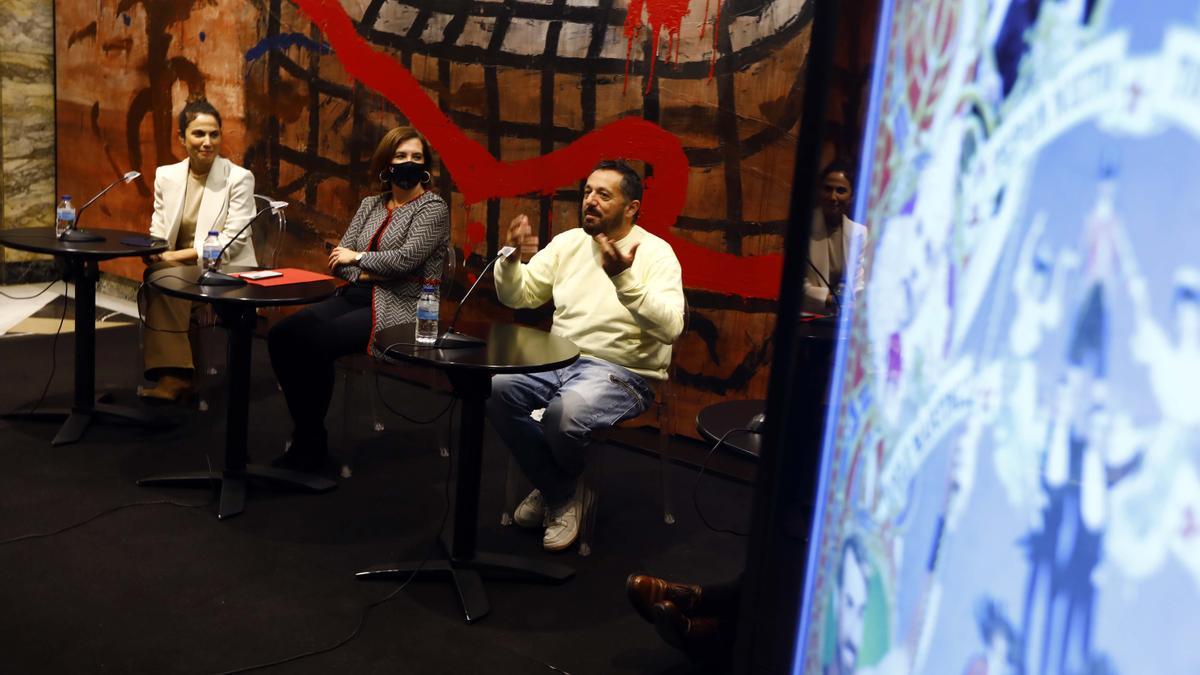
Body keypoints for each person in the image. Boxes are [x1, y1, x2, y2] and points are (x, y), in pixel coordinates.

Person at [487, 159, 685, 551]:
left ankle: (553, 491)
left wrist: (623, 280)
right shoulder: (568, 243)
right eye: (587, 191)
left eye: (603, 194)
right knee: (497, 388)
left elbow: (671, 327)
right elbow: (519, 296)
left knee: (566, 413)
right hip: (558, 361)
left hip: (622, 373)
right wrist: (511, 261)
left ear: (632, 207)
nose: (590, 201)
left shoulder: (657, 254)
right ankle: (563, 492)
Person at [267, 127, 449, 471]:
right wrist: (361, 268)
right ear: (386, 163)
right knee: (282, 336)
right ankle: (311, 436)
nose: (408, 163)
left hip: (403, 307)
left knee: (316, 343)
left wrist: (359, 259)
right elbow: (339, 259)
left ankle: (308, 447)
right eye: (400, 157)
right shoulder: (371, 205)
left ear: (425, 165)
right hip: (355, 296)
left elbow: (405, 260)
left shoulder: (433, 208)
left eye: (416, 157)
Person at [139, 98, 257, 402]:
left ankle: (176, 376)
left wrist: (173, 257)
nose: (207, 142)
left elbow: (231, 243)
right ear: (182, 138)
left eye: (214, 134)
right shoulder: (167, 176)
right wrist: (155, 250)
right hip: (179, 269)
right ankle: (179, 373)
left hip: (227, 270)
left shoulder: (238, 178)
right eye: (198, 134)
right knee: (161, 274)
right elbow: (158, 230)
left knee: (162, 278)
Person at [804, 160, 868, 314]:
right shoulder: (803, 227)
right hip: (808, 316)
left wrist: (862, 301)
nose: (833, 197)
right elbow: (793, 285)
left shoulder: (859, 232)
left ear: (852, 196)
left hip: (843, 318)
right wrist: (830, 300)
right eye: (827, 189)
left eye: (840, 190)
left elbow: (858, 283)